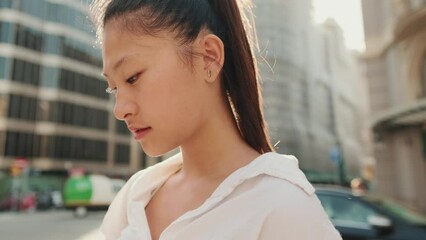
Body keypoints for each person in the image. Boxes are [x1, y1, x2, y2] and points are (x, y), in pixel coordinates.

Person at [90, 0, 341, 239]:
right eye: (113, 88)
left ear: (208, 56)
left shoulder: (283, 207)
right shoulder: (136, 195)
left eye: (132, 77)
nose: (120, 110)